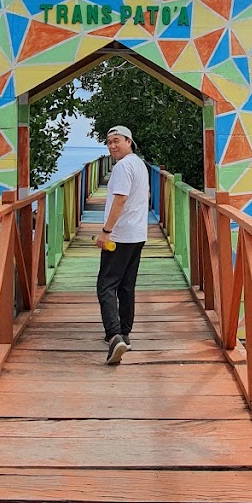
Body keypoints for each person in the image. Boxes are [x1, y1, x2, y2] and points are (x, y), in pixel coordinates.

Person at [94, 125, 149, 365]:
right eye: (109, 142)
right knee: (126, 285)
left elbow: (120, 199)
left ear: (129, 141)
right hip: (138, 233)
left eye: (117, 141)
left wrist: (106, 231)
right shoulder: (139, 164)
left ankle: (114, 336)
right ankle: (125, 332)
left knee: (105, 285)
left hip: (120, 235)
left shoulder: (122, 167)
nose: (113, 146)